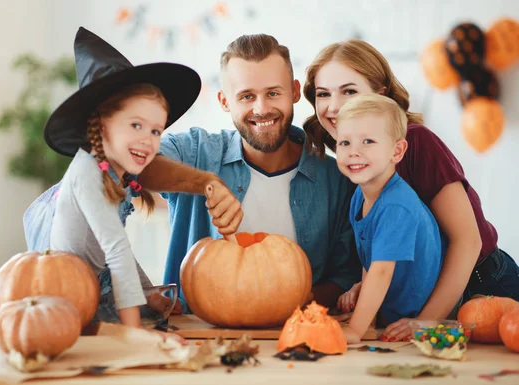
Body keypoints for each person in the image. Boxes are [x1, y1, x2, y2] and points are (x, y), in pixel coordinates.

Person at [302, 39, 519, 341]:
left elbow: (466, 242)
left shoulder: (417, 144)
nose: (334, 106)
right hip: (426, 296)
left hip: (480, 285)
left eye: (349, 91)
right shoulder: (354, 162)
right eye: (323, 94)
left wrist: (426, 321)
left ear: (382, 95)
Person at [136, 33, 360, 313]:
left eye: (273, 93)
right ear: (224, 101)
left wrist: (294, 302)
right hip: (195, 335)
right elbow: (134, 162)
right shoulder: (196, 152)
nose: (262, 108)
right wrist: (206, 183)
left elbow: (344, 276)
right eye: (246, 96)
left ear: (293, 91)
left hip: (295, 332)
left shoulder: (335, 178)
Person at [23, 26, 203, 340]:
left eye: (155, 131)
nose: (147, 141)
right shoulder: (87, 173)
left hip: (97, 287)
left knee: (172, 320)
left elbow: (117, 249)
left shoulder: (112, 170)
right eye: (136, 125)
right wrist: (137, 337)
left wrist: (148, 293)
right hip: (69, 301)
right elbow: (116, 251)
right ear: (102, 124)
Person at [331, 94, 445, 344]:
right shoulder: (360, 196)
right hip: (390, 316)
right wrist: (366, 318)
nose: (354, 152)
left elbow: (382, 272)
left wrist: (355, 331)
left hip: (416, 317)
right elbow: (370, 260)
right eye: (345, 143)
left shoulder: (396, 206)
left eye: (368, 141)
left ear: (397, 151)